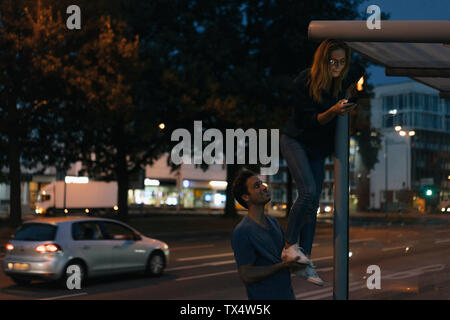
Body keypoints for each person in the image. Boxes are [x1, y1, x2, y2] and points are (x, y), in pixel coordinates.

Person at [280, 39, 366, 286]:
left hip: (317, 149)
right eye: (333, 62)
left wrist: (354, 90)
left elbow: (360, 67)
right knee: (307, 193)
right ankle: (289, 246)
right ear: (322, 60)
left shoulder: (345, 73)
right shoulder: (304, 81)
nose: (338, 67)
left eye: (341, 62)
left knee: (314, 203)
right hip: (296, 140)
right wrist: (334, 111)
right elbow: (310, 121)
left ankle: (304, 261)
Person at [231, 169, 304, 300]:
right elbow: (246, 275)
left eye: (262, 183)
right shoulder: (242, 231)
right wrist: (280, 266)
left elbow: (284, 256)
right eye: (257, 186)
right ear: (245, 197)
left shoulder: (273, 222)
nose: (264, 187)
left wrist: (296, 261)